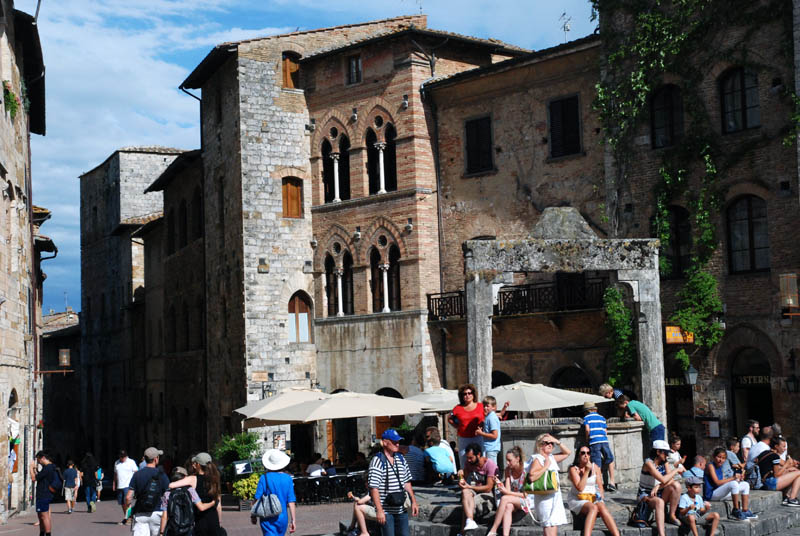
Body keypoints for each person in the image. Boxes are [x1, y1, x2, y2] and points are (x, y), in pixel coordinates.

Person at [368, 428, 419, 536]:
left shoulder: (401, 458)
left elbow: (407, 482)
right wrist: (379, 510)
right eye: (394, 442)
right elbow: (373, 487)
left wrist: (413, 501)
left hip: (401, 509)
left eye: (398, 441)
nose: (397, 444)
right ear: (385, 443)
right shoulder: (378, 460)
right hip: (386, 511)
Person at [566, 445, 620, 536]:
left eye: (588, 453)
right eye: (583, 453)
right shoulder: (573, 469)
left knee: (601, 507)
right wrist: (587, 471)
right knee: (593, 508)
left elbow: (600, 486)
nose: (586, 455)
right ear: (578, 455)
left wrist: (600, 498)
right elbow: (580, 488)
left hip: (592, 497)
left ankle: (616, 535)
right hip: (578, 498)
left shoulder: (595, 467)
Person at [635, 439, 685, 535]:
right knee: (659, 502)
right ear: (658, 452)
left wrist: (658, 486)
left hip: (658, 492)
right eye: (665, 453)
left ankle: (672, 515)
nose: (667, 456)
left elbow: (670, 480)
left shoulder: (664, 462)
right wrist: (676, 470)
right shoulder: (649, 463)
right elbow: (664, 479)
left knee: (676, 485)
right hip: (645, 495)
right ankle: (662, 534)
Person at [169, 452, 222, 536]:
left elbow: (171, 485)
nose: (193, 465)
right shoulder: (215, 478)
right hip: (213, 518)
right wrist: (219, 521)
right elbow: (219, 505)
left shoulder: (193, 479)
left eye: (195, 463)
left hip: (199, 519)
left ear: (198, 465)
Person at [527, 433, 570, 535]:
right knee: (548, 525)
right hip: (545, 498)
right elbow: (531, 477)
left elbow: (567, 453)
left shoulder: (551, 457)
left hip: (554, 496)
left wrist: (556, 441)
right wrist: (545, 467)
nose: (550, 445)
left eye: (551, 443)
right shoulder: (537, 458)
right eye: (546, 443)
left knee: (553, 525)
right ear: (540, 445)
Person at [251, 449, 297, 536]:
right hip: (282, 517)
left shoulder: (264, 478)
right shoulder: (288, 478)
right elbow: (291, 501)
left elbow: (257, 498)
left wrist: (253, 515)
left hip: (267, 516)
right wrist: (293, 520)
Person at [126, 447, 170, 536]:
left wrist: (129, 509)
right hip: (157, 512)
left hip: (140, 513)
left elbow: (128, 497)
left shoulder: (137, 474)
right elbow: (167, 495)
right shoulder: (162, 475)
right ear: (156, 459)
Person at [159, 466, 214, 536]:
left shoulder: (167, 493)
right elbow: (201, 507)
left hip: (173, 529)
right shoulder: (190, 490)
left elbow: (164, 516)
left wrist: (161, 533)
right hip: (188, 529)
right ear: (184, 478)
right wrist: (213, 502)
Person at [457, 442, 498, 534]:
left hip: (487, 494)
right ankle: (470, 521)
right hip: (474, 490)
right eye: (467, 458)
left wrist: (470, 486)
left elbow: (488, 488)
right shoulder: (469, 463)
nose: (469, 460)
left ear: (478, 454)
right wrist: (461, 476)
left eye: (471, 458)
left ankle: (463, 532)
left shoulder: (490, 465)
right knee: (465, 492)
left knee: (468, 505)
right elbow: (464, 481)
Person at [486, 446, 527, 536]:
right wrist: (499, 484)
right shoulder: (508, 470)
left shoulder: (526, 470)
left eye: (509, 460)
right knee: (508, 506)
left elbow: (526, 495)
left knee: (504, 499)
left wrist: (508, 493)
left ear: (517, 459)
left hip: (527, 500)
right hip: (513, 498)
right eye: (506, 460)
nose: (507, 463)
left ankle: (494, 529)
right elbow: (507, 491)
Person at [703, 447, 754, 520]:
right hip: (711, 495)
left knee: (745, 484)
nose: (721, 460)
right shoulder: (710, 466)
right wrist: (733, 478)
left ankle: (745, 510)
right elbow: (717, 482)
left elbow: (723, 481)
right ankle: (736, 510)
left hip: (720, 493)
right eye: (719, 457)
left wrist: (737, 479)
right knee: (733, 484)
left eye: (723, 458)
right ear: (714, 457)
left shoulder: (720, 467)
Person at [582, 402, 617, 491]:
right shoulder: (602, 418)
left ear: (586, 411)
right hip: (604, 441)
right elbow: (605, 431)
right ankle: (612, 482)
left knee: (596, 463)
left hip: (594, 441)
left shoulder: (586, 418)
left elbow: (587, 429)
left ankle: (599, 484)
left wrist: (587, 439)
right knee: (610, 459)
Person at [756, 436, 800, 506]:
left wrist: (788, 469)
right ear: (776, 446)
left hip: (765, 482)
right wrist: (786, 464)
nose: (785, 449)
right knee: (799, 473)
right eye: (783, 446)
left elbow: (772, 470)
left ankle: (786, 497)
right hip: (770, 483)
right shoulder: (775, 456)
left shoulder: (765, 453)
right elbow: (776, 475)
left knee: (793, 472)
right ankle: (792, 499)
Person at [449, 383, 484, 468]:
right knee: (464, 460)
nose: (467, 395)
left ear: (473, 394)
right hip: (464, 438)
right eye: (464, 394)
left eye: (469, 393)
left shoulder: (481, 406)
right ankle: (465, 476)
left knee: (480, 459)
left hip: (478, 437)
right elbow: (449, 418)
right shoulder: (457, 408)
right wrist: (457, 426)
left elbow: (488, 417)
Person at [30, 450, 60, 536]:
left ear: (43, 458)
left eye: (38, 460)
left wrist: (31, 468)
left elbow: (34, 478)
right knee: (41, 516)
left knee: (44, 516)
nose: (38, 462)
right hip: (45, 494)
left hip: (43, 494)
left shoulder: (48, 468)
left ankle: (47, 534)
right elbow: (40, 477)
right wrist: (35, 470)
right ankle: (42, 533)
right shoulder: (50, 467)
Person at [114, 449, 139, 525]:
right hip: (120, 485)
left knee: (128, 502)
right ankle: (126, 517)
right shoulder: (117, 462)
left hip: (128, 485)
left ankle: (129, 518)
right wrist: (114, 483)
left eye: (123, 457)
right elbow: (115, 474)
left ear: (126, 456)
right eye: (121, 457)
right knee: (122, 503)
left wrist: (135, 483)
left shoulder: (131, 462)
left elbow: (136, 472)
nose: (122, 458)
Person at [476, 396, 501, 463]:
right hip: (489, 448)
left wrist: (481, 433)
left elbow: (494, 435)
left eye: (487, 406)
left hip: (491, 448)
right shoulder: (489, 417)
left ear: (493, 407)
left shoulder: (491, 418)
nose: (485, 408)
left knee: (491, 467)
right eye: (484, 406)